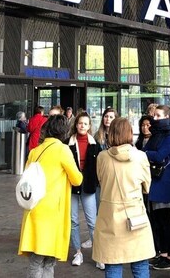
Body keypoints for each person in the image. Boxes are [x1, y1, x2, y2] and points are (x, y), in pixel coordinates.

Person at [18, 114, 83, 277]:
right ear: (64, 132)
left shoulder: (35, 151)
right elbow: (77, 179)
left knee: (36, 260)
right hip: (54, 213)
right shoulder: (63, 150)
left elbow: (27, 174)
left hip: (34, 209)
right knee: (49, 261)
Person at [93, 117, 155, 278]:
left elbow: (101, 180)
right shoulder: (141, 156)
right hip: (136, 218)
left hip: (109, 217)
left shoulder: (102, 157)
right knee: (140, 264)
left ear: (111, 134)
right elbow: (147, 187)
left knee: (113, 264)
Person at [144, 104, 170, 271]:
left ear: (167, 117)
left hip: (165, 181)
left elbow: (158, 155)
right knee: (157, 219)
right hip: (154, 180)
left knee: (165, 219)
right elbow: (146, 150)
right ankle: (163, 253)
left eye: (158, 115)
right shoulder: (157, 134)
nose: (155, 118)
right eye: (154, 115)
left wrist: (146, 154)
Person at [67, 112, 99, 267]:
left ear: (89, 126)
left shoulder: (95, 144)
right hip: (72, 187)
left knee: (92, 222)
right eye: (80, 123)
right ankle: (78, 253)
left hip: (89, 186)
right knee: (73, 221)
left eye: (85, 124)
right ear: (76, 124)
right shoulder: (68, 143)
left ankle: (99, 254)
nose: (82, 126)